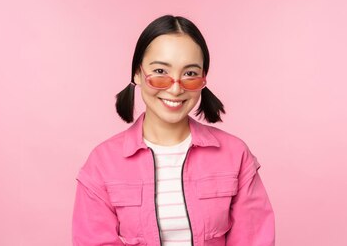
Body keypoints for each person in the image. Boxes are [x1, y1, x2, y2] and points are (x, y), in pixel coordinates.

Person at [71, 15, 275, 246]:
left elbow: (254, 239)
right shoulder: (102, 163)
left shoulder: (236, 155)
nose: (176, 88)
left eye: (189, 73)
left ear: (203, 80)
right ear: (137, 73)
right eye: (160, 71)